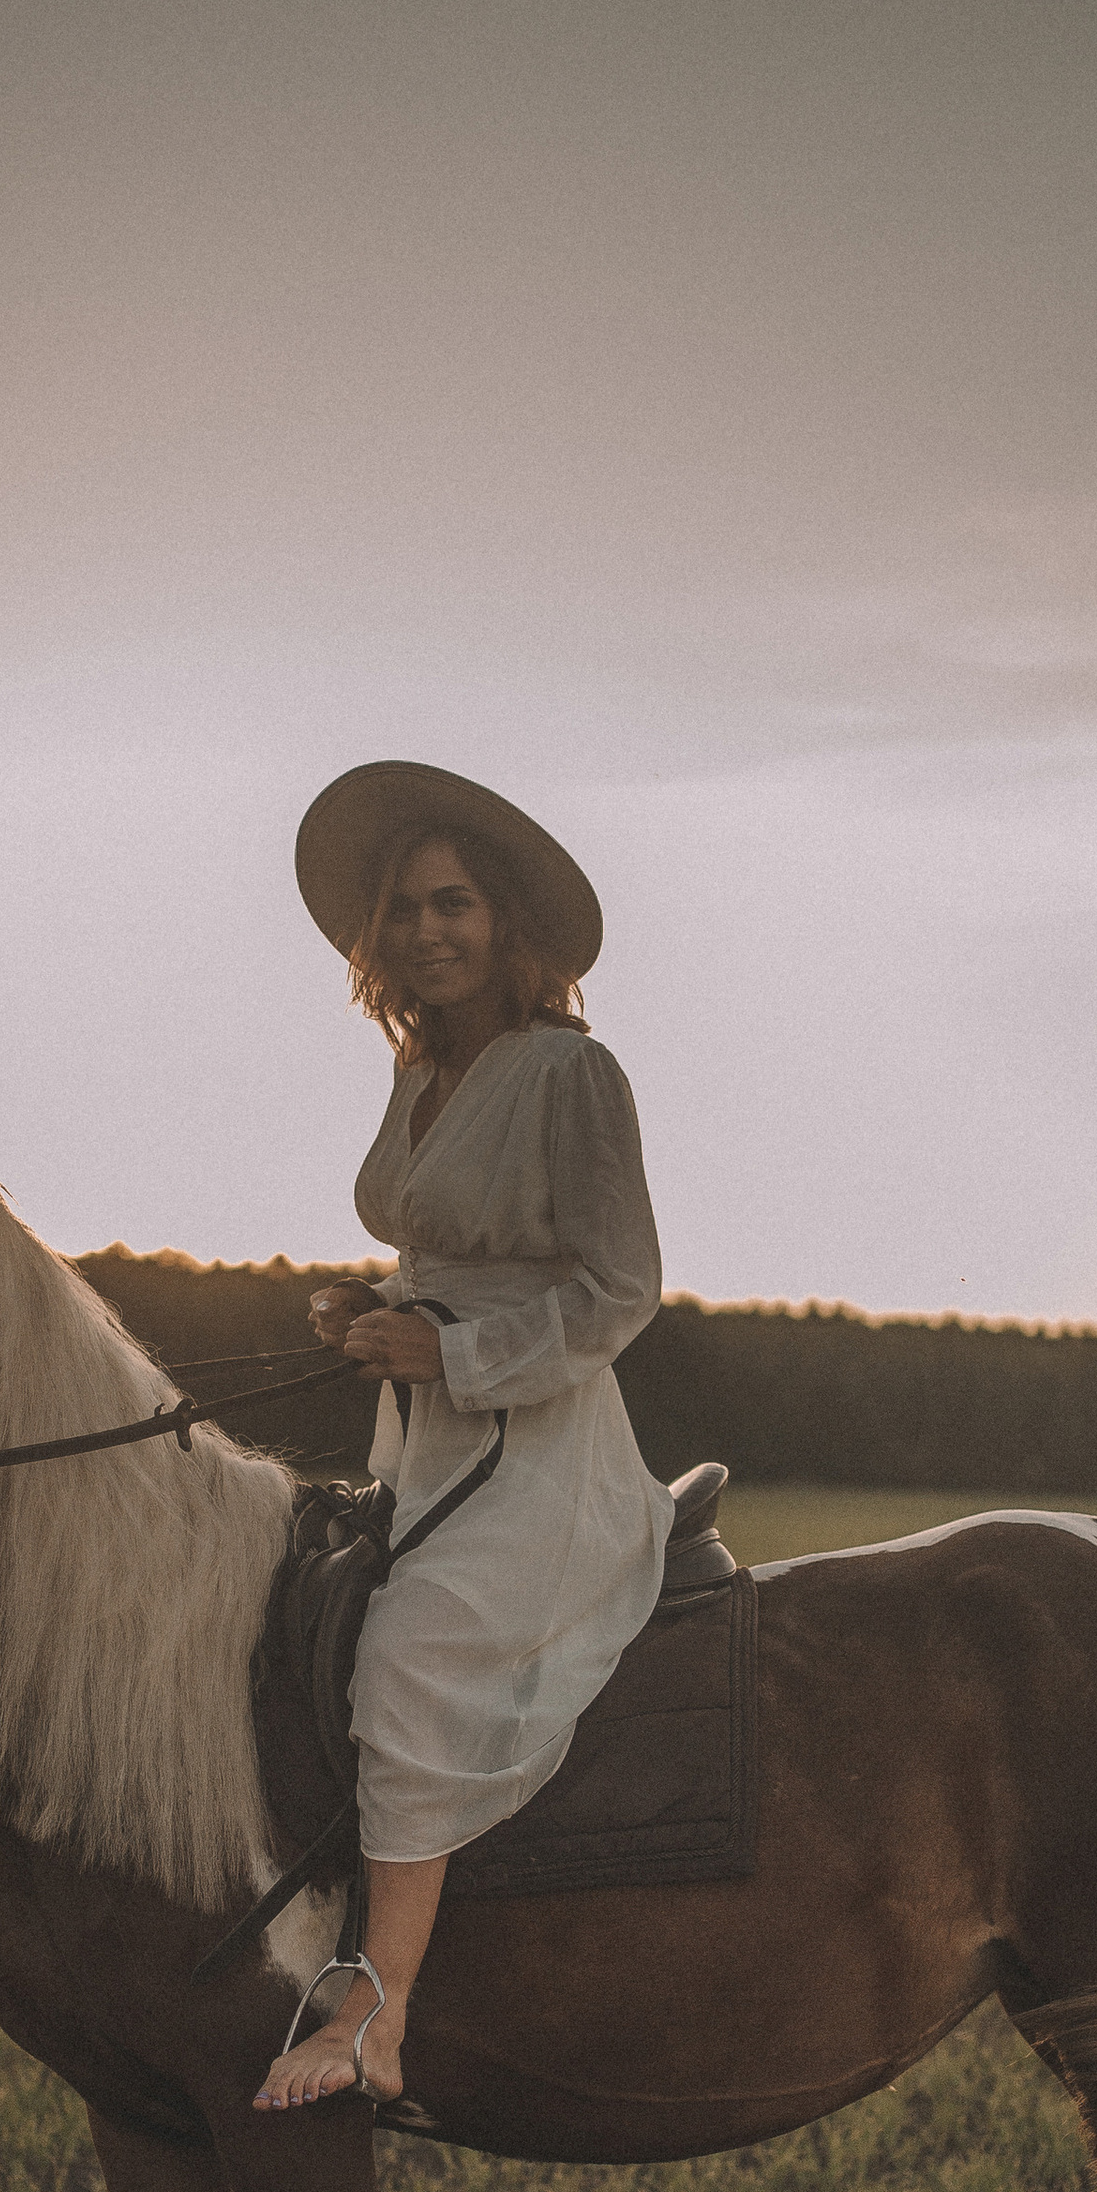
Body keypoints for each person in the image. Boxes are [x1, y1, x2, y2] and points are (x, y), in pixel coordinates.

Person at [254, 762, 675, 2109]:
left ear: (509, 926)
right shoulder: (421, 1068)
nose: (427, 930)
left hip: (544, 1444)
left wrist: (453, 1351)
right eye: (405, 909)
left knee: (415, 1648)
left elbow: (616, 1289)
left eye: (455, 904)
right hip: (422, 1440)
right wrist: (373, 1307)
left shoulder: (572, 1073)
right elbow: (448, 1249)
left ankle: (377, 2010)